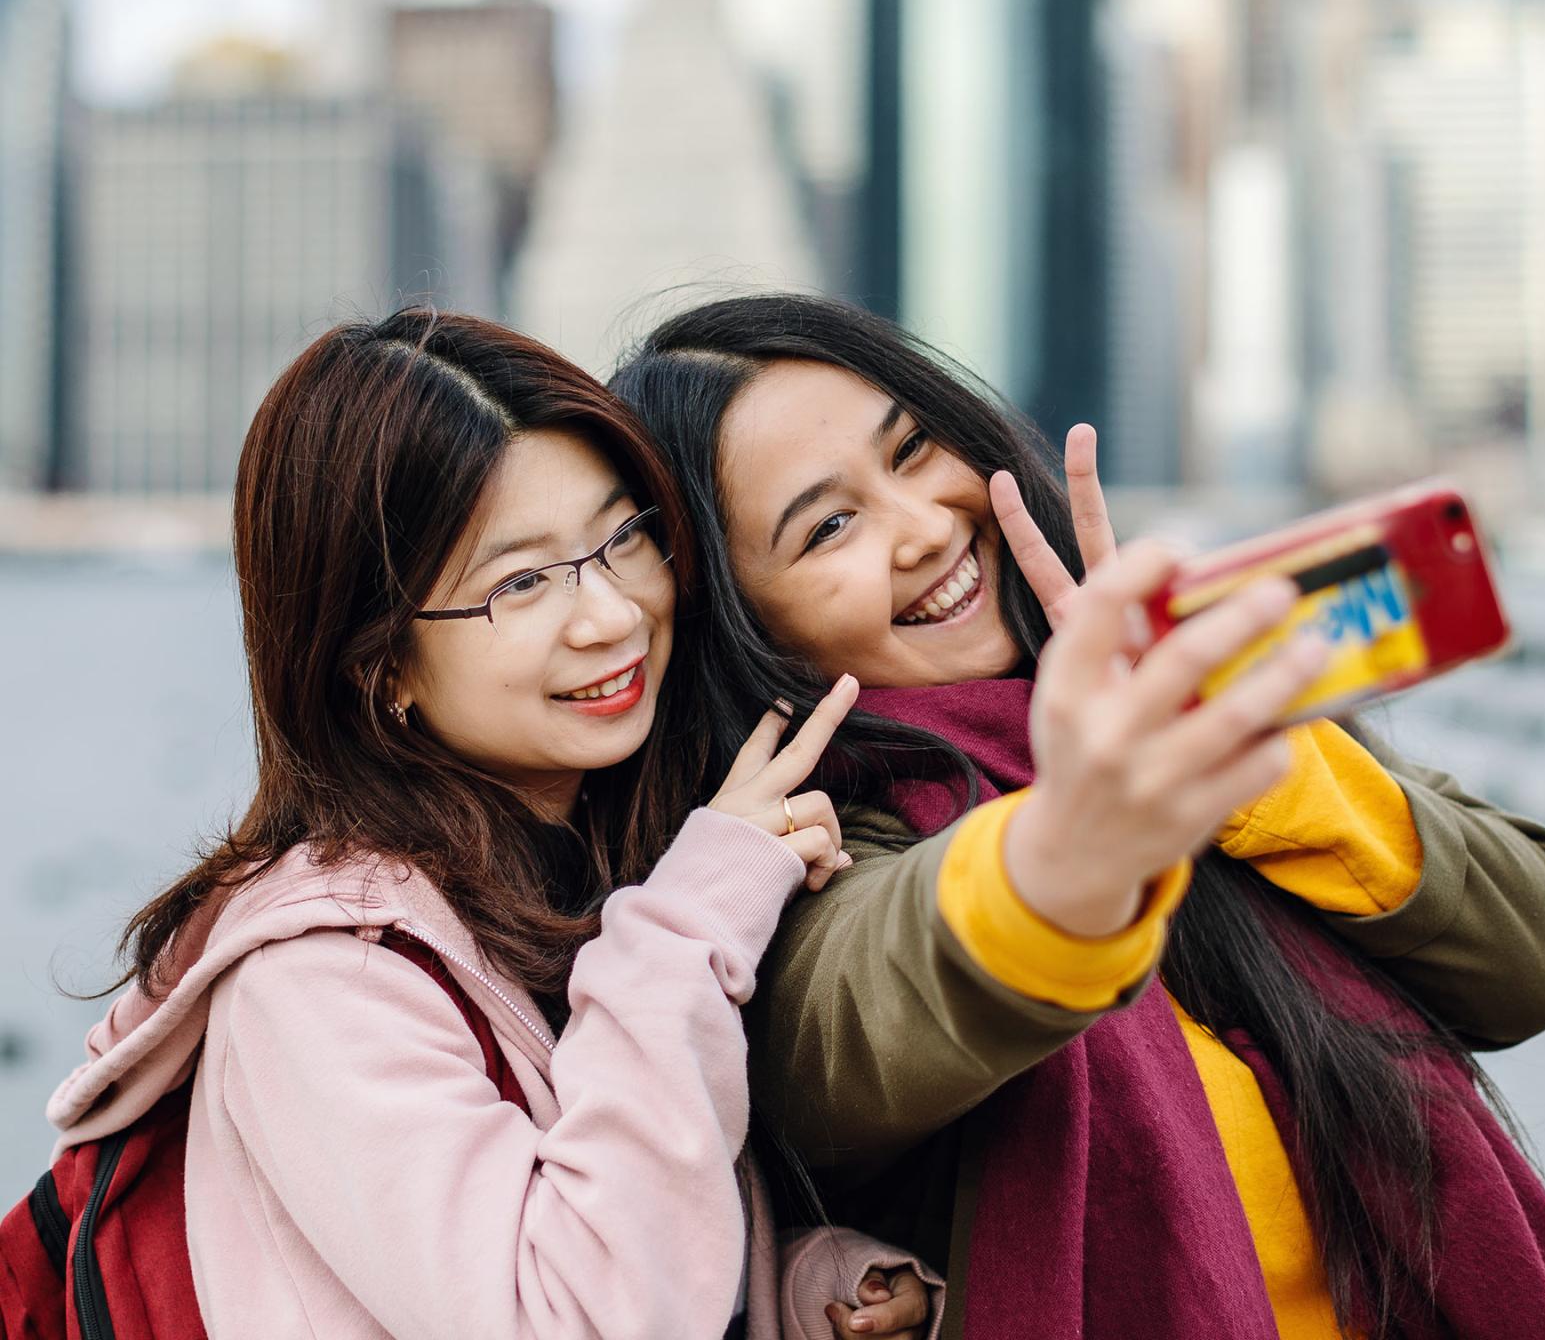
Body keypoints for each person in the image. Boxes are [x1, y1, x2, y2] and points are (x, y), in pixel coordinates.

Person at [611, 292, 1545, 1340]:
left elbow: (1535, 952)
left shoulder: (1193, 687)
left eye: (910, 452)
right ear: (746, 627)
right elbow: (864, 1005)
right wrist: (1080, 832)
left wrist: (1232, 753)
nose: (924, 527)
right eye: (830, 527)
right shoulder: (796, 865)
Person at [47, 309, 940, 1340]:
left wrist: (807, 1284)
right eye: (518, 583)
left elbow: (601, 1222)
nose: (609, 613)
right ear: (377, 666)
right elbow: (570, 1319)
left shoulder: (583, 868)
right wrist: (694, 917)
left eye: (622, 536)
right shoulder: (325, 979)